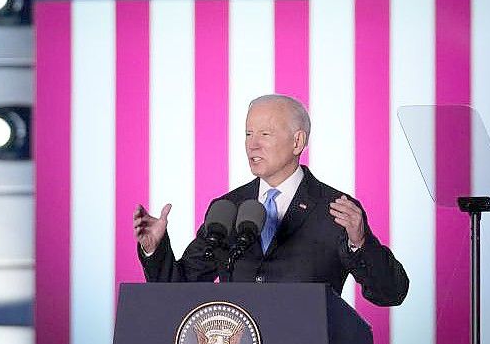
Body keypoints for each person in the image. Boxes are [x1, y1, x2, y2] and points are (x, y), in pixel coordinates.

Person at [133, 94, 409, 306]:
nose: (252, 144)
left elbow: (391, 292)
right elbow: (178, 289)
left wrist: (360, 243)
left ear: (297, 142)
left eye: (265, 134)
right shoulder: (227, 208)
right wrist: (155, 250)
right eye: (248, 134)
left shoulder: (336, 209)